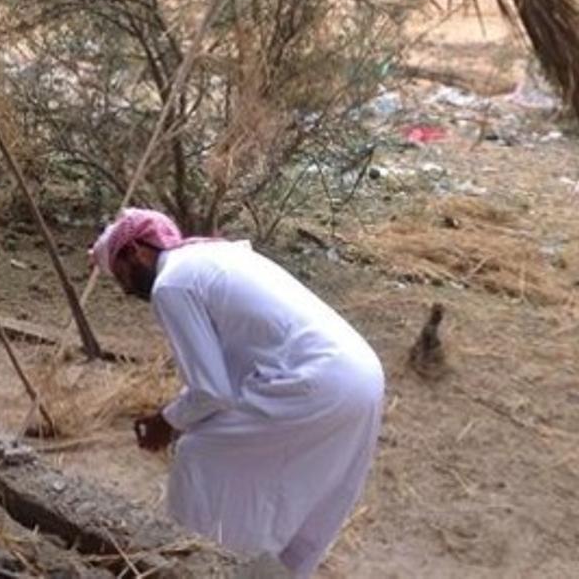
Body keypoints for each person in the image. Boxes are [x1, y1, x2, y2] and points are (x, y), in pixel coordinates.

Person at [90, 209, 384, 578]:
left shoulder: (172, 284)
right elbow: (230, 371)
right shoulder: (214, 257)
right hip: (362, 376)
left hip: (315, 381)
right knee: (295, 478)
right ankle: (264, 567)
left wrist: (167, 422)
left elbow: (212, 391)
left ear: (135, 252)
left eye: (122, 278)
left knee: (200, 452)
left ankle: (194, 563)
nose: (127, 291)